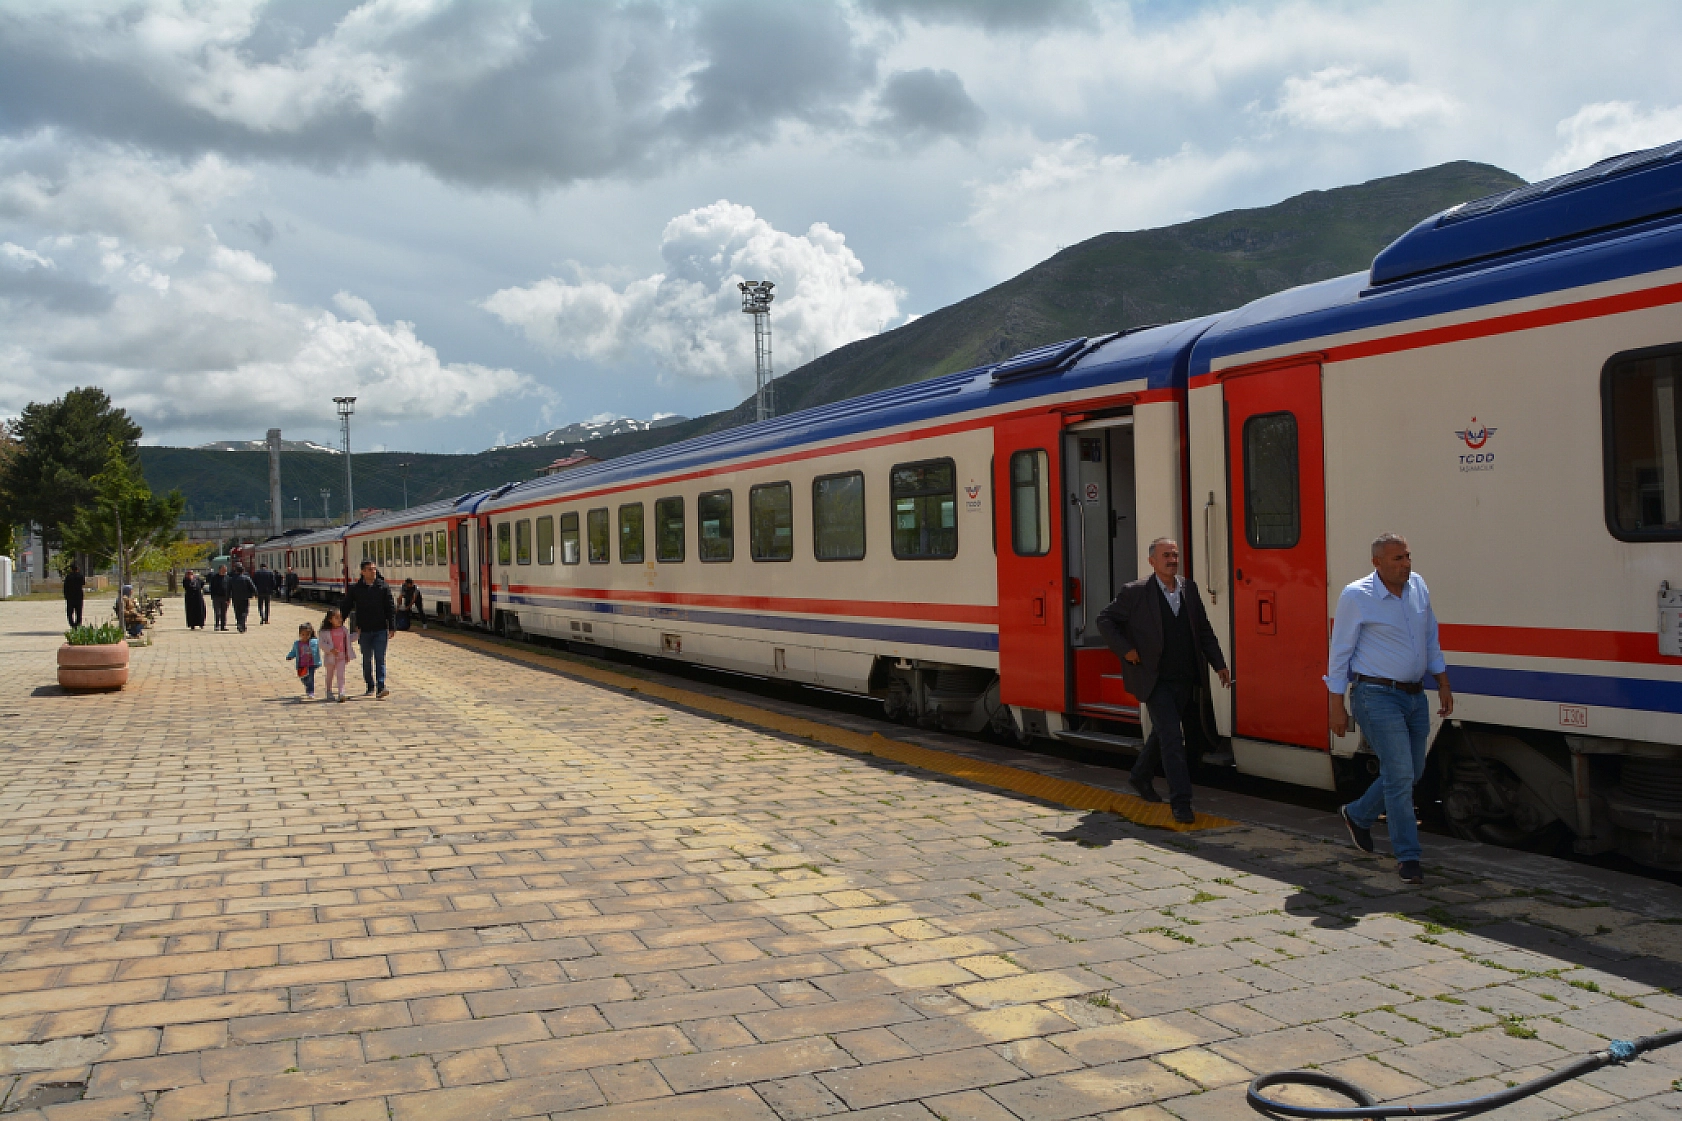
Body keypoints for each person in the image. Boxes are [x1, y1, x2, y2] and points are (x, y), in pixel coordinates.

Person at [1328, 533, 1454, 886]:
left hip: (1415, 696)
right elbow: (1339, 653)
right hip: (1375, 695)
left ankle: (1358, 814)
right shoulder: (1357, 595)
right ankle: (1408, 857)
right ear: (1377, 563)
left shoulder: (1418, 587)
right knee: (1399, 775)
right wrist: (1336, 705)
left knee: (1411, 771)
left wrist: (1443, 682)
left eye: (1408, 556)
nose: (1406, 564)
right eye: (1398, 559)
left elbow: (1430, 638)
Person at [1096, 537, 1231, 824]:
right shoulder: (1135, 592)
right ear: (1152, 561)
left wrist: (1219, 664)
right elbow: (1105, 620)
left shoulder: (1189, 589)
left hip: (1183, 676)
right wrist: (1126, 649)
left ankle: (1140, 775)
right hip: (1153, 678)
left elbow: (1203, 631)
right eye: (1166, 555)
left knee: (1162, 731)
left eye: (1175, 555)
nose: (1172, 560)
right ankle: (1181, 803)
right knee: (1172, 737)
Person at [341, 560, 396, 699]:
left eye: (374, 569)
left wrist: (392, 626)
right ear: (363, 572)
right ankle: (370, 684)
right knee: (367, 659)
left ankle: (381, 686)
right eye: (370, 569)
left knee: (380, 658)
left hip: (380, 629)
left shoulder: (383, 587)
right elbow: (346, 606)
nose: (373, 571)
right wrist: (338, 624)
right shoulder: (356, 589)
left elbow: (390, 607)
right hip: (364, 630)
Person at [318, 607, 353, 703]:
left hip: (341, 657)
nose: (339, 620)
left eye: (340, 617)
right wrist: (330, 649)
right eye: (336, 618)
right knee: (330, 675)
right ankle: (328, 691)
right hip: (330, 657)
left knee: (340, 675)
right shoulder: (324, 632)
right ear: (330, 620)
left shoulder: (343, 630)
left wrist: (357, 634)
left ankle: (341, 692)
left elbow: (348, 639)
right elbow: (321, 643)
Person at [286, 622, 321, 701]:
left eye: (307, 635)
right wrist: (290, 656)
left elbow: (321, 644)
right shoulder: (297, 644)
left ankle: (311, 691)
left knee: (311, 677)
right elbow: (294, 651)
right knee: (303, 678)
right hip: (301, 664)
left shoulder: (314, 642)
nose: (305, 637)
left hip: (311, 664)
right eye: (303, 634)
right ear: (299, 634)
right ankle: (307, 685)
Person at [229, 566, 259, 633]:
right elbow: (253, 587)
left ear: (236, 571)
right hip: (245, 598)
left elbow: (228, 589)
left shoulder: (232, 579)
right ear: (243, 571)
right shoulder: (246, 578)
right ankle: (241, 623)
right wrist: (255, 594)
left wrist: (227, 598)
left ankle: (239, 623)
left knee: (237, 611)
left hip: (235, 598)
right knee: (244, 612)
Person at [209, 564, 231, 631]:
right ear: (220, 569)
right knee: (217, 612)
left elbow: (229, 588)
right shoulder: (214, 577)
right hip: (216, 597)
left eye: (226, 569)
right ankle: (217, 625)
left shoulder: (227, 578)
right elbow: (211, 587)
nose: (225, 570)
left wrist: (229, 598)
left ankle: (223, 626)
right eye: (224, 569)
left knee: (224, 613)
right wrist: (212, 596)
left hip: (225, 597)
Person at [63, 562, 85, 628]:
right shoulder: (80, 576)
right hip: (78, 596)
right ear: (77, 569)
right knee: (79, 612)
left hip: (70, 597)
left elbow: (65, 587)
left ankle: (72, 624)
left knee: (70, 612)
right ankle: (78, 624)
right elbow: (83, 583)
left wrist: (66, 595)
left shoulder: (68, 577)